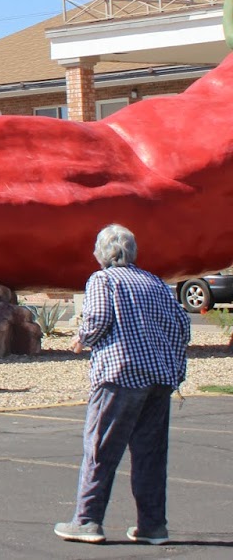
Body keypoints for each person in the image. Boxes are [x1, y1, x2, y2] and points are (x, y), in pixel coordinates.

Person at [54, 224, 189, 546]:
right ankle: (153, 526)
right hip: (159, 378)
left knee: (100, 449)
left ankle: (87, 521)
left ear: (102, 252)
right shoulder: (155, 282)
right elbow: (182, 326)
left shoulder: (104, 279)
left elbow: (98, 319)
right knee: (150, 455)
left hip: (120, 376)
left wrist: (82, 338)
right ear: (132, 251)